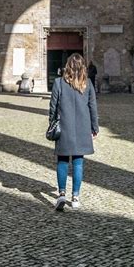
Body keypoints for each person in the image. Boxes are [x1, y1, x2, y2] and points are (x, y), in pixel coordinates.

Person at [48, 52, 99, 211]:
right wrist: (94, 127)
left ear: (68, 66)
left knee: (62, 160)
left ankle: (62, 194)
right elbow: (93, 108)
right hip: (82, 128)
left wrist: (52, 124)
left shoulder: (58, 83)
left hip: (64, 127)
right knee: (78, 162)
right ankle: (75, 197)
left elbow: (53, 107)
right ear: (83, 67)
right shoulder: (88, 84)